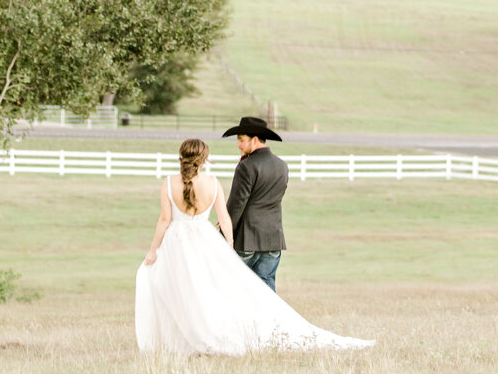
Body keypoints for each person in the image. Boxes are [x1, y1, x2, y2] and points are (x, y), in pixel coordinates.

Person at [134, 134, 373, 356]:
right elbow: (225, 218)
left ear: (181, 157)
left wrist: (153, 250)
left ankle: (186, 338)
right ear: (204, 158)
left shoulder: (168, 183)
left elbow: (165, 220)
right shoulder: (213, 183)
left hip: (176, 244)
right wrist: (227, 246)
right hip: (205, 240)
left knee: (181, 291)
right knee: (210, 291)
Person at [223, 113, 287, 291]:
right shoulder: (282, 166)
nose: (238, 144)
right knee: (267, 288)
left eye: (241, 140)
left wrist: (224, 232)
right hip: (273, 238)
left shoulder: (246, 166)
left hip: (248, 238)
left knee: (236, 287)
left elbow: (237, 204)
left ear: (255, 140)